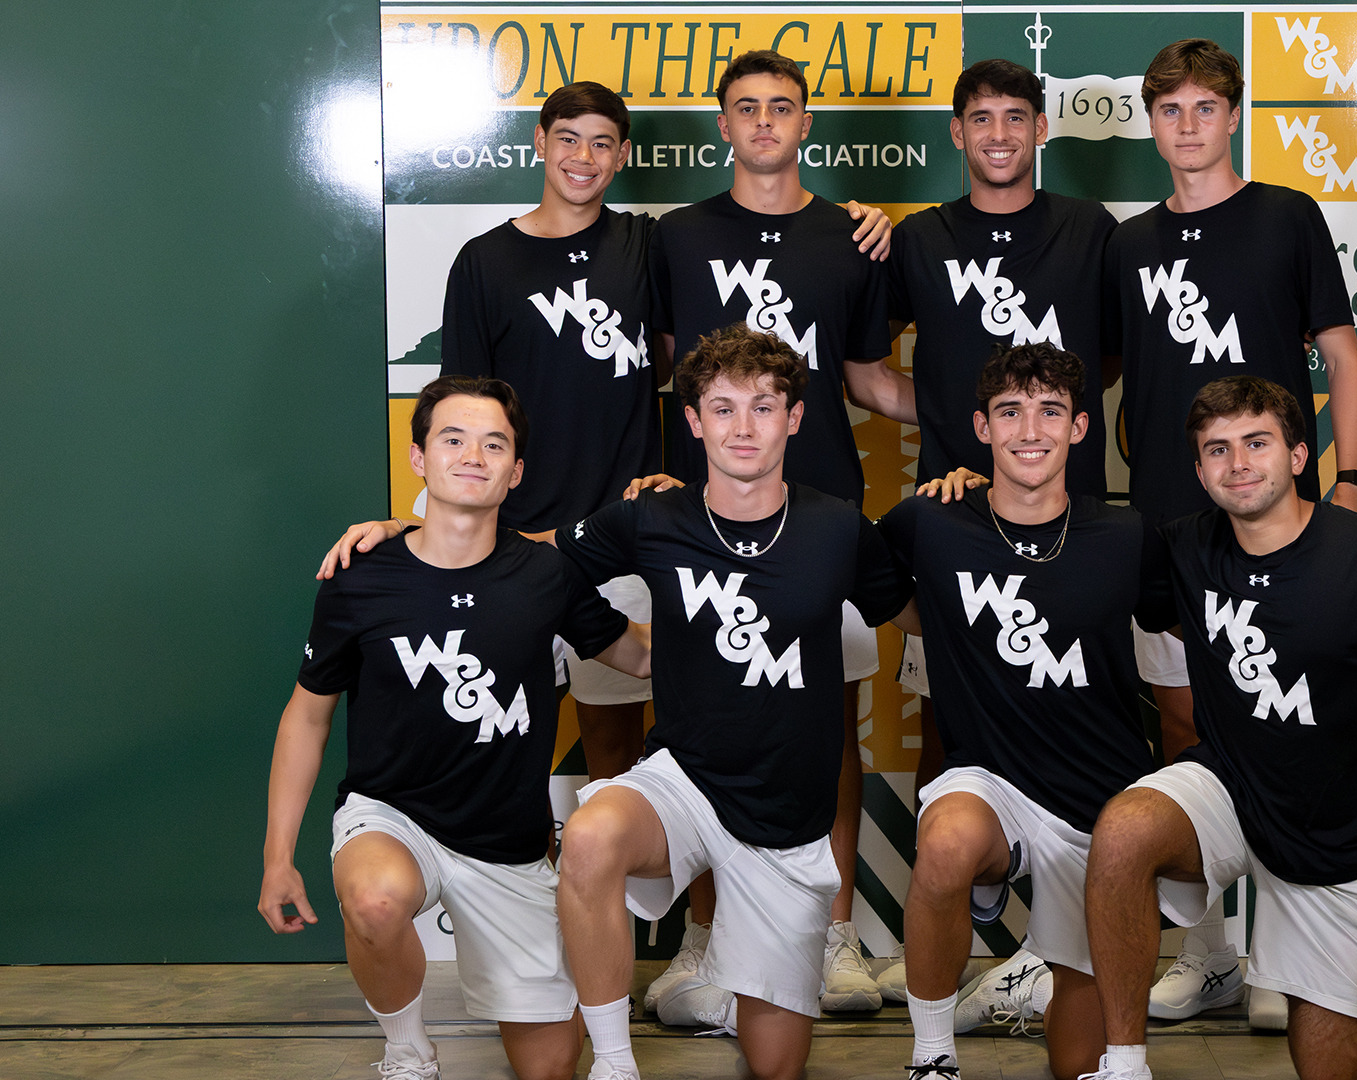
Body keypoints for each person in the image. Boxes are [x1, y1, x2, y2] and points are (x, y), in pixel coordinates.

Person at [410, 80, 892, 783]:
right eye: (567, 138)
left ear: (623, 155)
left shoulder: (649, 242)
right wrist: (434, 528)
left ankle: (616, 889)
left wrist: (858, 219)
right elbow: (459, 410)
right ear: (539, 143)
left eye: (602, 142)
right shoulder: (485, 261)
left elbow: (767, 254)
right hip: (511, 539)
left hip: (620, 538)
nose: (583, 156)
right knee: (494, 738)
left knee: (619, 750)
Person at [258, 376, 653, 1080]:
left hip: (509, 846)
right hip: (393, 817)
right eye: (453, 439)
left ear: (516, 471)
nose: (474, 455)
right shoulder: (361, 573)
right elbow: (307, 714)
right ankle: (408, 1051)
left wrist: (741, 586)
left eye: (494, 443)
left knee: (551, 1067)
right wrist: (277, 857)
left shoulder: (547, 574)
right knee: (376, 900)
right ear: (418, 459)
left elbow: (640, 657)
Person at [554, 325, 914, 1080]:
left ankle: (736, 980)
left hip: (787, 822)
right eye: (722, 408)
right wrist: (412, 537)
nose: (743, 427)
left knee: (776, 1066)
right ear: (692, 421)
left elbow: (917, 611)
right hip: (683, 783)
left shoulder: (837, 527)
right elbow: (532, 564)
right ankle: (614, 1064)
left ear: (795, 417)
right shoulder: (653, 518)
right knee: (589, 836)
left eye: (762, 406)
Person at [1082, 376, 1357, 1080]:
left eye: (1256, 443)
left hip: (1335, 831)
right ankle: (1124, 1066)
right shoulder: (1183, 548)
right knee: (1123, 830)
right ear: (1199, 473)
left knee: (1332, 1064)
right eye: (1218, 451)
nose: (1238, 464)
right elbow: (1052, 539)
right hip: (1229, 785)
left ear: (1296, 455)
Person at [643, 49, 917, 1017]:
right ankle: (705, 941)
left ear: (807, 124)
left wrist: (1001, 432)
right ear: (723, 125)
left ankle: (832, 934)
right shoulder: (674, 237)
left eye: (783, 107)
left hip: (819, 519)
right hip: (705, 527)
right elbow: (666, 379)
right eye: (746, 108)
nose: (765, 121)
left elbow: (868, 380)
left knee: (830, 727)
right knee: (698, 730)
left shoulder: (852, 235)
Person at [1103, 39, 1357, 1016]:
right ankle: (1210, 953)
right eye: (1168, 110)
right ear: (1153, 120)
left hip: (1281, 519)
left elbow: (1341, 357)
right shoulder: (1127, 245)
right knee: (1181, 727)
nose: (1186, 126)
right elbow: (1092, 378)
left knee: (1285, 724)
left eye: (1203, 108)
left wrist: (1348, 482)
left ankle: (1283, 955)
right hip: (1168, 526)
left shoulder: (1286, 217)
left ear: (1232, 114)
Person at [877, 344, 1170, 1080]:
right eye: (1010, 411)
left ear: (1078, 428)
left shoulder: (1127, 537)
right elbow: (882, 595)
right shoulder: (931, 522)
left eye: (1049, 411)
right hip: (991, 782)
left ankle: (1040, 951)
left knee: (1078, 1065)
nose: (1029, 428)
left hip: (1099, 805)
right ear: (981, 427)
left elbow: (1200, 633)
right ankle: (932, 1056)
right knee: (945, 843)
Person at [882, 58, 1121, 853]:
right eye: (981, 119)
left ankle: (1072, 907)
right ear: (957, 132)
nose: (998, 134)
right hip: (954, 525)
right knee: (948, 726)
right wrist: (950, 413)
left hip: (1070, 520)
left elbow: (1115, 354)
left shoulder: (1090, 229)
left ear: (1041, 129)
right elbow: (855, 362)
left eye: (1015, 117)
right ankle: (957, 896)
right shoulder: (918, 237)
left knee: (1085, 707)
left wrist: (1042, 427)